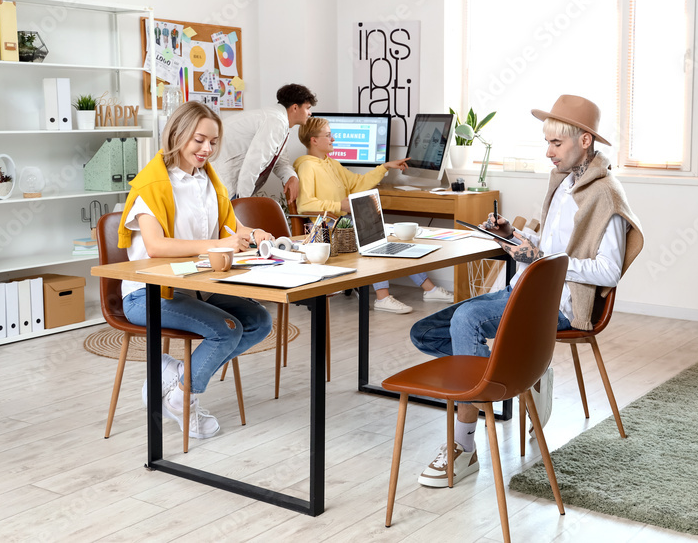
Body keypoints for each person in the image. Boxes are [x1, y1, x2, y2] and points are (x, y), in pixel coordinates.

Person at [409, 94, 644, 488]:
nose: (548, 152)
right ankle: (523, 372)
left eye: (556, 143)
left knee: (466, 319)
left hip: (562, 303)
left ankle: (463, 447)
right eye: (547, 142)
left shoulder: (605, 194)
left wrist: (542, 259)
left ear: (584, 141)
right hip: (525, 291)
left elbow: (609, 271)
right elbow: (552, 242)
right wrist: (514, 236)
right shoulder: (565, 181)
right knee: (426, 332)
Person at [118, 101, 275, 440]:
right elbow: (156, 246)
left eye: (213, 142)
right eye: (199, 140)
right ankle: (182, 396)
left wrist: (252, 234)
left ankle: (178, 383)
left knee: (260, 321)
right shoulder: (152, 184)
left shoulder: (208, 182)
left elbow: (229, 228)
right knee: (227, 329)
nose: (207, 149)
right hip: (148, 293)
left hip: (192, 285)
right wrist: (216, 246)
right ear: (177, 135)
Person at [294, 116, 454, 313]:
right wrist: (339, 204)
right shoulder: (307, 166)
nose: (333, 139)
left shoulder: (330, 163)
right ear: (314, 140)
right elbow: (304, 204)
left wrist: (385, 167)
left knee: (394, 238)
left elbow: (357, 183)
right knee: (376, 240)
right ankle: (383, 297)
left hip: (343, 222)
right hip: (327, 229)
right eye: (328, 135)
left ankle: (429, 289)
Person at [215, 83, 318, 203]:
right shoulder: (275, 121)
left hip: (227, 184)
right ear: (295, 107)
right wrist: (243, 202)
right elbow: (253, 164)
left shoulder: (277, 120)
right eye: (308, 108)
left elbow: (280, 161)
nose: (310, 113)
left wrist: (291, 176)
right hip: (224, 184)